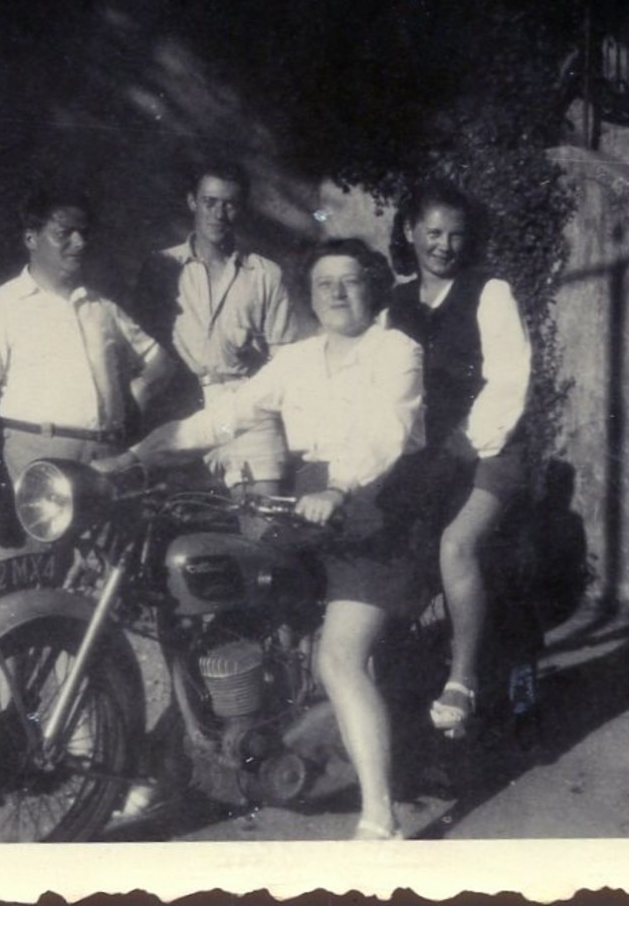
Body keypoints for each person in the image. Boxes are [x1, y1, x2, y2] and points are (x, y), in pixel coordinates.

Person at [95, 238, 424, 841]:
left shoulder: (395, 350)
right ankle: (190, 759)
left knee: (339, 657)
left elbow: (387, 433)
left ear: (373, 287)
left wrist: (340, 489)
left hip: (378, 506)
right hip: (303, 499)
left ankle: (381, 818)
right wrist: (138, 456)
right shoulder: (298, 360)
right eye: (324, 284)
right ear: (310, 294)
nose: (336, 293)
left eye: (350, 281)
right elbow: (227, 415)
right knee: (210, 618)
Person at [0, 189, 175, 561]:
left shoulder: (101, 307)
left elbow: (161, 362)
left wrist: (133, 401)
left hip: (105, 462)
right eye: (64, 233)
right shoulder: (3, 307)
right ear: (30, 238)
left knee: (101, 586)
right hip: (37, 460)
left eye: (84, 232)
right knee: (28, 584)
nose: (79, 242)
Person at [386, 178, 533, 740]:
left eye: (455, 235)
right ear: (409, 231)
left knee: (456, 546)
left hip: (490, 448)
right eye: (433, 233)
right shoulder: (395, 302)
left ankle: (463, 679)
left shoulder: (488, 292)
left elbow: (508, 382)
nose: (444, 246)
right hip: (425, 452)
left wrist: (458, 448)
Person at [151, 161, 304, 493]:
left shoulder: (265, 274)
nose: (219, 214)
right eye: (210, 202)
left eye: (230, 204)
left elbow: (287, 361)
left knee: (262, 527)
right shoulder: (161, 268)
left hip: (247, 408)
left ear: (242, 209)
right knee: (167, 517)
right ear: (193, 201)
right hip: (181, 408)